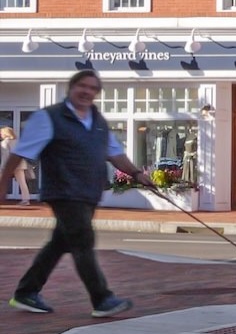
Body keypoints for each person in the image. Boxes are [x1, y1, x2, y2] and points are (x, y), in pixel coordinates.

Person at [2, 70, 144, 317]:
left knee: (60, 242)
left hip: (88, 192)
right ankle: (102, 299)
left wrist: (137, 174)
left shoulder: (98, 121)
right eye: (82, 86)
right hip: (64, 191)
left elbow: (115, 154)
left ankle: (26, 292)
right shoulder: (49, 117)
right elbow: (19, 153)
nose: (87, 92)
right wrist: (3, 185)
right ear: (71, 87)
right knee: (82, 240)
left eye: (92, 88)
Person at [1, 126, 32, 207]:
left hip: (8, 165)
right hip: (20, 165)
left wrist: (3, 167)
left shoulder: (4, 142)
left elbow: (6, 156)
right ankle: (26, 200)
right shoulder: (18, 142)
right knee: (22, 182)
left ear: (5, 133)